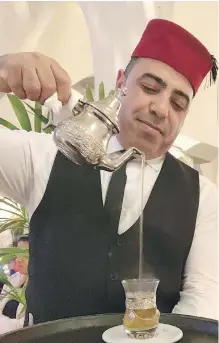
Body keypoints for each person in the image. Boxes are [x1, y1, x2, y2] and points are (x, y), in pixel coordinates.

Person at [0, 19, 218, 325]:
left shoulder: (203, 196)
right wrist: (2, 73)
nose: (161, 108)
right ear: (120, 83)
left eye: (178, 103)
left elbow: (203, 298)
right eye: (149, 87)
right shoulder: (46, 155)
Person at [0, 235, 29, 333]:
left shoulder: (39, 287)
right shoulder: (13, 279)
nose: (18, 260)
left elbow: (25, 326)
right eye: (17, 254)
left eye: (25, 255)